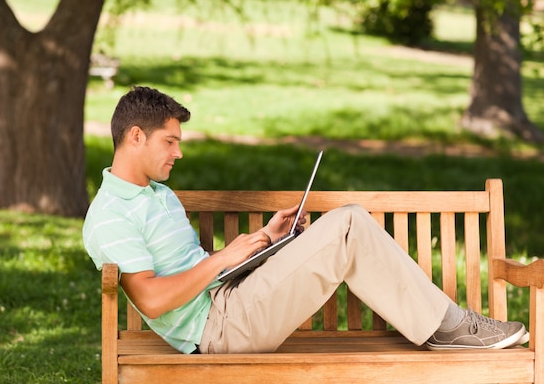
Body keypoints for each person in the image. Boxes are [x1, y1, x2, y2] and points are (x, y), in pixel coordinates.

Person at [82, 86, 529, 355]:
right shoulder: (110, 216)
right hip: (217, 331)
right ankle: (448, 328)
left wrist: (262, 243)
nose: (178, 152)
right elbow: (153, 300)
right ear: (135, 136)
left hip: (230, 300)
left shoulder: (156, 194)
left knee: (342, 227)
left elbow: (197, 272)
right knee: (349, 224)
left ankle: (447, 325)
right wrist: (221, 258)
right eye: (170, 141)